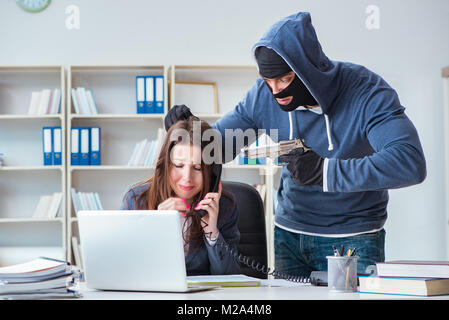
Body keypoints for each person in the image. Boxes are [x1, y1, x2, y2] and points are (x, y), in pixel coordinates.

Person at [164, 12, 427, 277]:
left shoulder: (367, 92)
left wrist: (325, 171)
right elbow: (220, 147)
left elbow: (409, 162)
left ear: (307, 70)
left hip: (354, 237)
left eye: (284, 80)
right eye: (268, 81)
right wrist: (191, 133)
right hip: (289, 236)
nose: (276, 90)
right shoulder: (262, 96)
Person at [120, 117, 241, 276]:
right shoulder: (136, 200)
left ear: (211, 172)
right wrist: (155, 229)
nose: (187, 177)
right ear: (166, 165)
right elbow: (124, 269)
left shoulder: (225, 206)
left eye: (197, 168)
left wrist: (212, 232)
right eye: (179, 166)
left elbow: (231, 277)